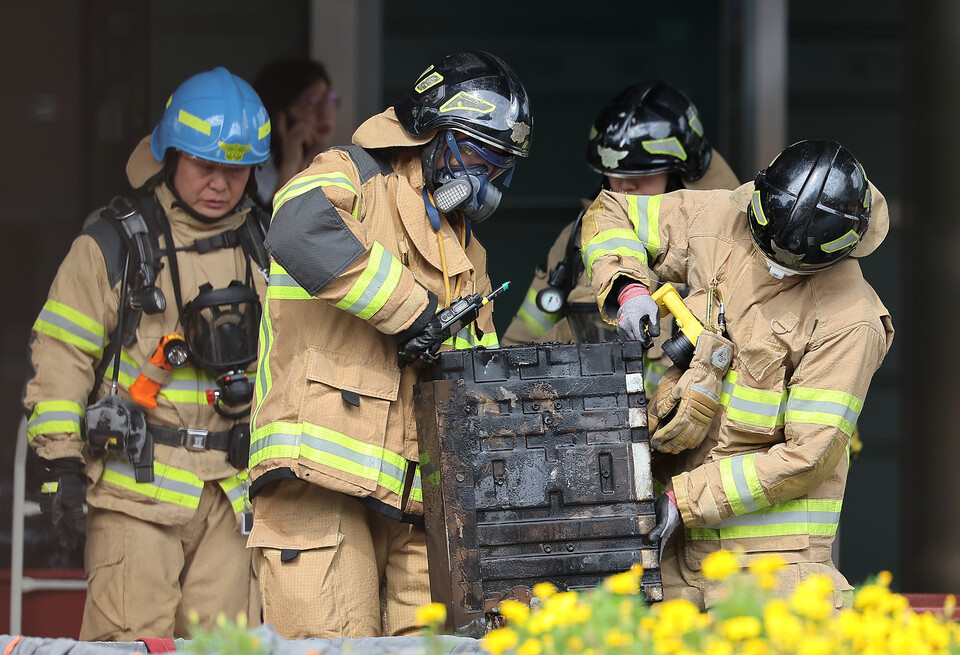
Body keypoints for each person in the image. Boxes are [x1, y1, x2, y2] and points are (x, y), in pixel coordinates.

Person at [247, 51, 532, 639]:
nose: (488, 183)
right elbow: (297, 228)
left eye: (501, 167)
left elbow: (476, 381)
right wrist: (413, 311)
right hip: (320, 484)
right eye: (481, 156)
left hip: (417, 507)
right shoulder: (350, 172)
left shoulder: (466, 250)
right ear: (431, 129)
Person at [581, 139, 894, 609]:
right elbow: (611, 212)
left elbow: (806, 458)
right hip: (671, 556)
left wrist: (682, 501)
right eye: (765, 244)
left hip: (772, 572)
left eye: (790, 261)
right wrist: (627, 288)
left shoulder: (851, 320)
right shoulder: (723, 216)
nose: (772, 262)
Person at [24, 67, 271, 640]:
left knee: (226, 653)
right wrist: (60, 463)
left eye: (236, 170)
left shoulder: (269, 245)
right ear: (169, 156)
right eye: (204, 166)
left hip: (233, 497)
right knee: (128, 646)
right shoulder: (114, 245)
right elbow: (61, 356)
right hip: (137, 492)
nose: (221, 183)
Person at [500, 80, 739, 397]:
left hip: (688, 439)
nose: (623, 188)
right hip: (595, 433)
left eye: (640, 176)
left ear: (682, 173)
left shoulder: (732, 246)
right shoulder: (578, 241)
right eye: (614, 175)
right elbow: (518, 350)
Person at [252, 59, 338, 209]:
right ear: (280, 117)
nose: (325, 113)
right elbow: (276, 226)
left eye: (329, 99)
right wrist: (290, 162)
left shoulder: (337, 169)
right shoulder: (256, 177)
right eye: (311, 102)